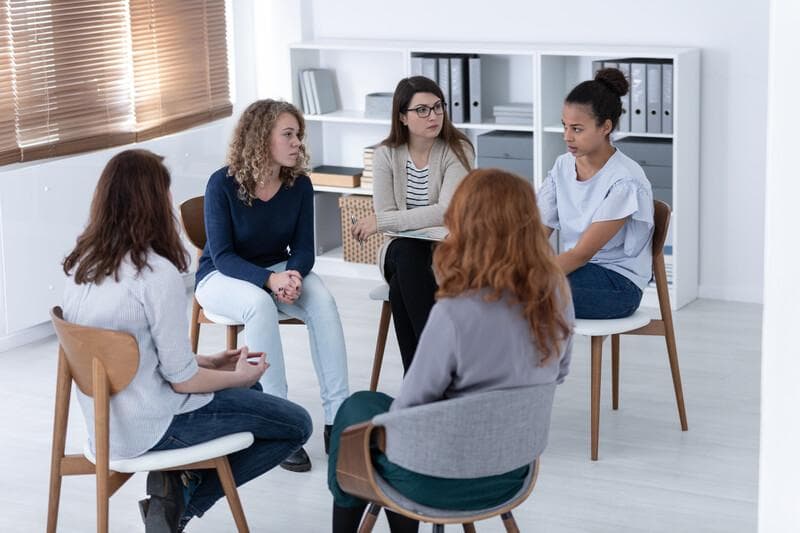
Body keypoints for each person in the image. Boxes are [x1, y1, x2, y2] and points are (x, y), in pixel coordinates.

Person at [62, 149, 312, 533]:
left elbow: (137, 355)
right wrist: (237, 377)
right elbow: (182, 382)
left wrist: (211, 361)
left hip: (106, 425)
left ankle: (176, 484)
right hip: (153, 426)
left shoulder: (81, 263)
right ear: (152, 202)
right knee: (296, 424)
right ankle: (178, 505)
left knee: (255, 390)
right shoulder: (154, 273)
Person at [330, 168, 575, 533]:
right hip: (511, 471)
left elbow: (410, 405)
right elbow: (559, 374)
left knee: (358, 411)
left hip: (440, 478)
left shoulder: (456, 312)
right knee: (372, 416)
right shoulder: (556, 295)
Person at [195, 99, 349, 472]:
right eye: (289, 135)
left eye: (299, 135)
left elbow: (303, 248)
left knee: (323, 301)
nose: (298, 142)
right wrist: (269, 280)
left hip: (276, 270)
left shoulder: (299, 183)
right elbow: (223, 255)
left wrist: (293, 275)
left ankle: (338, 421)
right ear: (262, 138)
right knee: (258, 305)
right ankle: (278, 422)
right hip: (220, 277)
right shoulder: (222, 184)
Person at [351, 76, 474, 372]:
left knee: (399, 288)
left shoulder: (458, 149)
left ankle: (418, 382)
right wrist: (388, 222)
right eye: (422, 110)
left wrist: (380, 221)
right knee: (407, 252)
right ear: (402, 117)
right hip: (398, 250)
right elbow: (392, 227)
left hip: (446, 251)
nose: (433, 116)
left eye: (437, 107)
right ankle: (439, 369)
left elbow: (446, 211)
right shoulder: (384, 155)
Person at [537, 67, 655, 319]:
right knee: (502, 287)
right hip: (576, 269)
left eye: (577, 129)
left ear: (605, 127)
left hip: (618, 284)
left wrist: (530, 276)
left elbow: (582, 253)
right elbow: (536, 230)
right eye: (564, 126)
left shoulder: (624, 180)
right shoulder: (563, 166)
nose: (567, 136)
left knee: (524, 295)